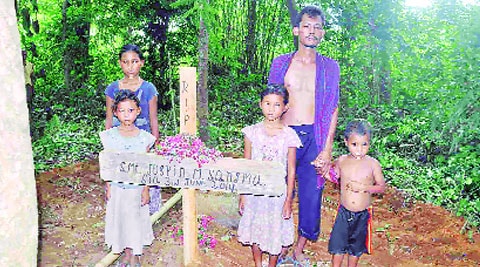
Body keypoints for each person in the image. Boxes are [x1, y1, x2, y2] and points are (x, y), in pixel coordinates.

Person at [267, 5, 340, 262]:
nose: (312, 31)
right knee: (278, 190)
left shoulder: (330, 68)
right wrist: (268, 138)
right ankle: (279, 242)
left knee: (311, 194)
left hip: (314, 137)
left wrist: (327, 149)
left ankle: (298, 249)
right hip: (284, 136)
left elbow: (332, 108)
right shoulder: (281, 63)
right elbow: (270, 101)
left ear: (322, 33)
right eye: (307, 26)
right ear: (296, 30)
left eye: (317, 27)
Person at [237, 84, 302, 267]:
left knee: (275, 229)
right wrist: (243, 194)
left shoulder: (289, 136)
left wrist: (288, 200)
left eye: (276, 105)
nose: (271, 109)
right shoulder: (251, 133)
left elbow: (291, 171)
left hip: (277, 195)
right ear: (260, 104)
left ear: (285, 107)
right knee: (255, 226)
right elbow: (246, 165)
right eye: (267, 103)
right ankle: (258, 263)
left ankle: (272, 264)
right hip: (255, 192)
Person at [100, 90, 155, 267]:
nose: (126, 115)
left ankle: (135, 253)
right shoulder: (109, 137)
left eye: (130, 110)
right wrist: (108, 185)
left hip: (136, 189)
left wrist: (146, 188)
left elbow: (146, 165)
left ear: (138, 111)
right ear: (115, 112)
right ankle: (124, 252)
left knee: (135, 220)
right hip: (117, 188)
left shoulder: (145, 138)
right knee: (120, 219)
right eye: (122, 111)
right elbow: (108, 164)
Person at [105, 44, 161, 215]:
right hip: (119, 140)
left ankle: (147, 214)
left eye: (134, 61)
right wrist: (107, 145)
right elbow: (109, 118)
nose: (130, 66)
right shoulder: (112, 89)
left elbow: (153, 118)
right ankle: (121, 214)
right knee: (122, 176)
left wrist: (155, 143)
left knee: (143, 174)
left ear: (141, 63)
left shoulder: (149, 89)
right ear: (120, 64)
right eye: (126, 62)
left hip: (141, 141)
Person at [327, 119, 386, 267]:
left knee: (355, 248)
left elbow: (381, 187)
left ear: (369, 143)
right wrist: (322, 169)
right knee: (338, 246)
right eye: (354, 144)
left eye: (364, 144)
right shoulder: (342, 161)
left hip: (362, 215)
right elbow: (333, 177)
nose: (359, 149)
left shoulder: (373, 164)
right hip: (344, 213)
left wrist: (365, 188)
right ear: (346, 142)